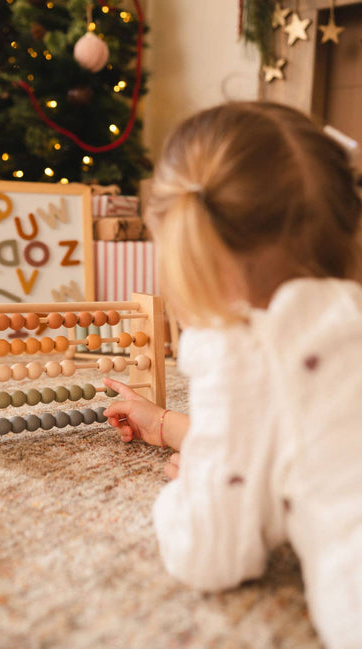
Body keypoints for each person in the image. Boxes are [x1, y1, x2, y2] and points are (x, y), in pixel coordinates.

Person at [103, 101, 362, 649]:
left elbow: (211, 552)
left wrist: (199, 484)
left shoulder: (242, 345)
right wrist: (170, 425)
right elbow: (311, 433)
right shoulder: (339, 321)